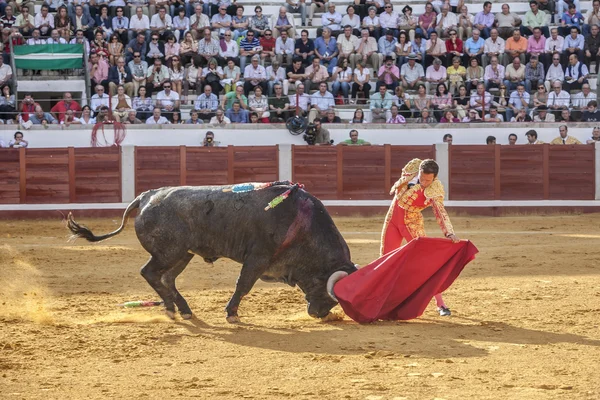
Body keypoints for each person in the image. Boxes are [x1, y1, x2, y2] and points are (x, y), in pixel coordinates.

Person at [381, 158, 459, 317]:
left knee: (425, 261)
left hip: (412, 221)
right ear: (419, 172)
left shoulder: (435, 189)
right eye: (422, 178)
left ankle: (440, 303)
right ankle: (382, 300)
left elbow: (440, 212)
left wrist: (449, 232)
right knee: (385, 259)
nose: (424, 182)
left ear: (434, 178)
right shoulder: (412, 168)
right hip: (393, 217)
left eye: (428, 180)